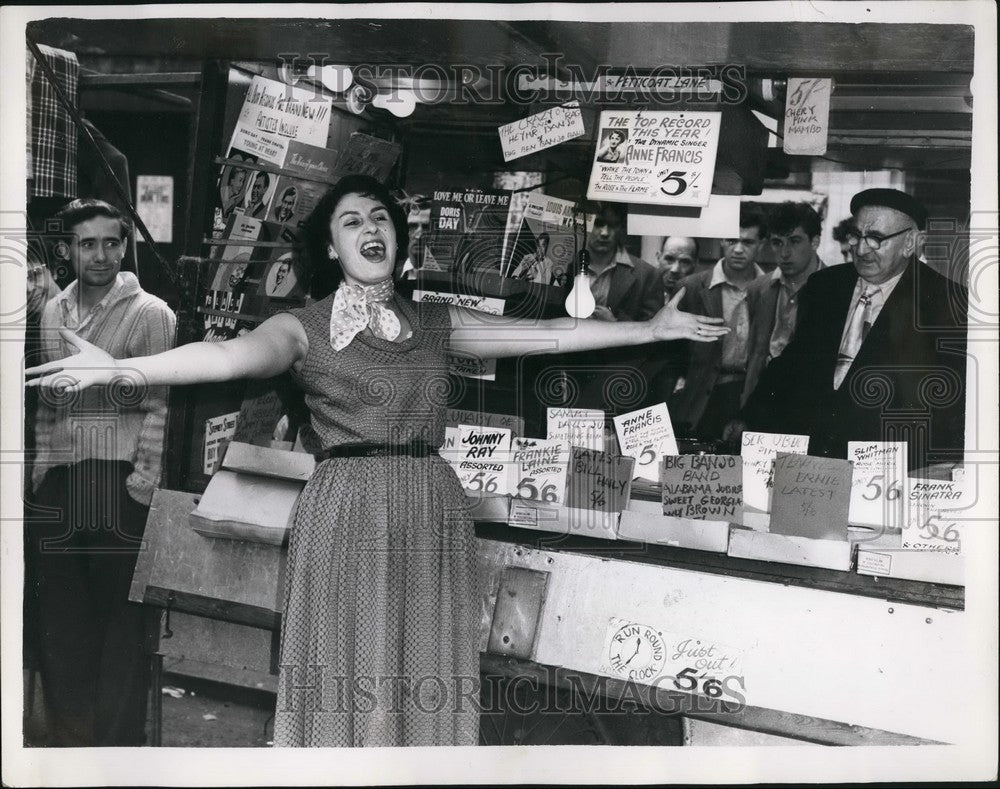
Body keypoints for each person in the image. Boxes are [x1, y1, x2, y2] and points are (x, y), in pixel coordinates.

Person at [27, 174, 727, 748]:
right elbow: (222, 355)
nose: (370, 228)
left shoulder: (434, 320)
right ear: (332, 247)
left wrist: (653, 326)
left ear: (397, 235)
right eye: (351, 220)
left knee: (425, 668)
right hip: (348, 507)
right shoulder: (301, 326)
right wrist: (126, 369)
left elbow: (545, 334)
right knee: (347, 666)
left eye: (381, 218)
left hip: (430, 507)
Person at [25, 199, 176, 745]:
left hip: (118, 486)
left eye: (112, 242)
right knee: (61, 628)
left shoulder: (150, 314)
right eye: (87, 243)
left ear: (125, 245)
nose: (101, 254)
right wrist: (42, 471)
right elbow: (45, 403)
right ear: (67, 250)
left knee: (120, 631)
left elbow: (160, 406)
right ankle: (70, 751)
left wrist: (141, 487)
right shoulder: (52, 313)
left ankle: (115, 756)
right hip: (61, 489)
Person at [729, 188, 967, 473]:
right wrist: (749, 417)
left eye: (876, 239)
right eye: (856, 235)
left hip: (888, 475)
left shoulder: (947, 302)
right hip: (814, 463)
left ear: (911, 243)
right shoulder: (824, 286)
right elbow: (795, 360)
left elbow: (953, 401)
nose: (861, 249)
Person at [670, 208, 767, 441]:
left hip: (751, 395)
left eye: (748, 242)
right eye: (732, 240)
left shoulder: (770, 288)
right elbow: (673, 354)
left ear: (761, 245)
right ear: (721, 240)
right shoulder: (691, 288)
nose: (738, 249)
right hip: (702, 395)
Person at [741, 202, 827, 405]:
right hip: (762, 398)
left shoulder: (834, 288)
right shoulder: (758, 288)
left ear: (814, 242)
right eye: (777, 243)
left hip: (809, 402)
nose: (784, 253)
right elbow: (755, 351)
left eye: (794, 241)